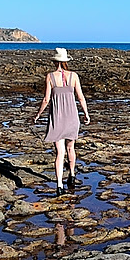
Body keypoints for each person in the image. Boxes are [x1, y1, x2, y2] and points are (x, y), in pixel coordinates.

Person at [34, 47, 90, 196]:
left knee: (60, 153)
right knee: (71, 149)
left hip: (57, 119)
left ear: (55, 61)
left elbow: (46, 99)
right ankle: (71, 174)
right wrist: (86, 114)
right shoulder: (74, 76)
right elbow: (81, 97)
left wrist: (38, 114)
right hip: (72, 118)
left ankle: (59, 185)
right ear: (66, 61)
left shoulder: (50, 77)